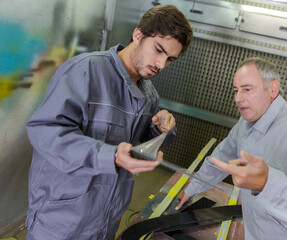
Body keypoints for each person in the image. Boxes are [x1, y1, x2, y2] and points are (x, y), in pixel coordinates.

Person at [25, 5, 193, 240]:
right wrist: (109, 156)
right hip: (62, 220)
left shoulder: (149, 95)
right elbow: (45, 132)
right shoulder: (85, 72)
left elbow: (139, 144)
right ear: (138, 35)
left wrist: (159, 129)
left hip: (106, 220)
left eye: (170, 59)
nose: (161, 64)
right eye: (158, 50)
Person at [176, 57, 287, 239]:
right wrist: (192, 189)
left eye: (247, 89)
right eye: (236, 91)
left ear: (273, 89)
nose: (238, 99)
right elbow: (220, 159)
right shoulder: (246, 123)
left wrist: (267, 183)